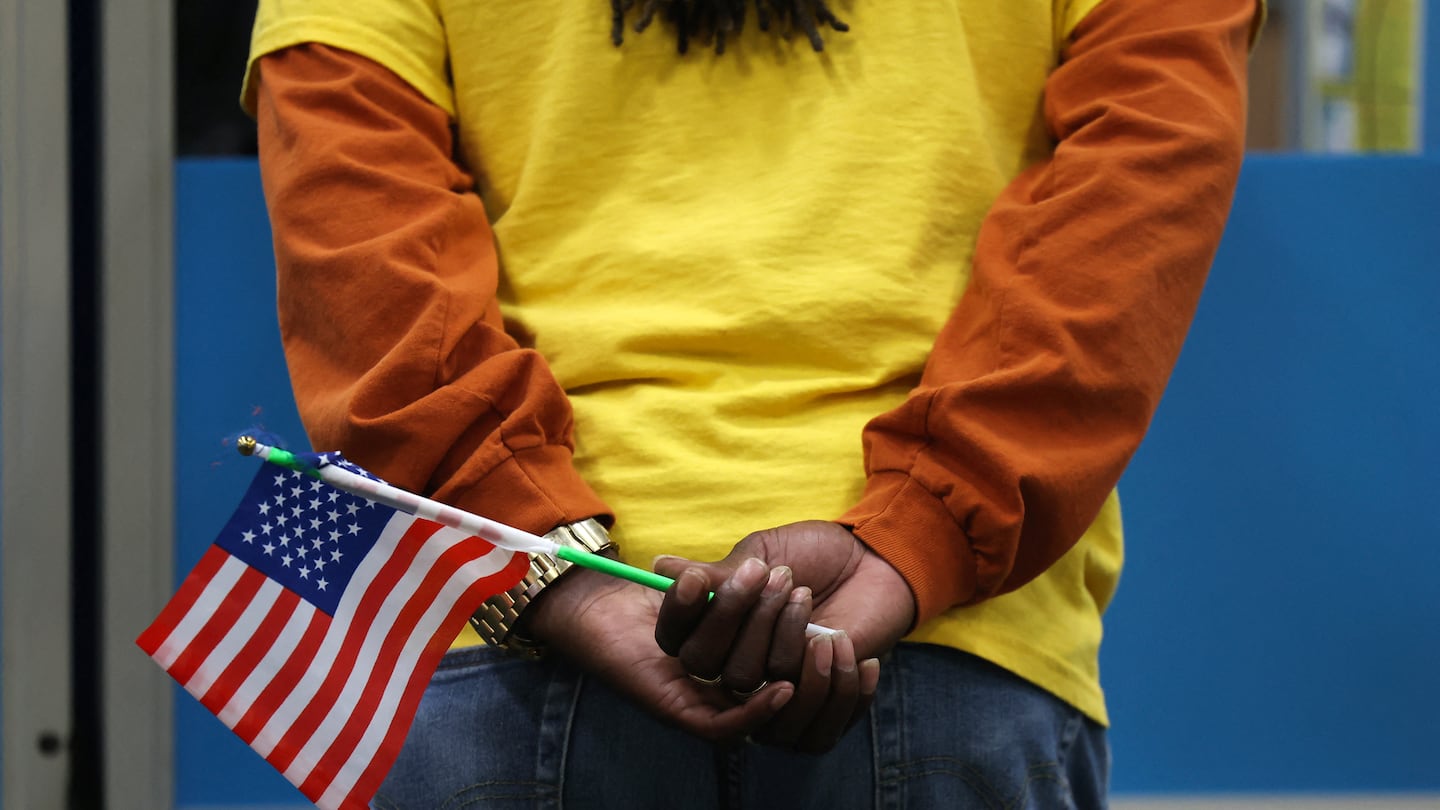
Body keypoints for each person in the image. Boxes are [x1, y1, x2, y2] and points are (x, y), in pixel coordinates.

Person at [244, 0, 1260, 806]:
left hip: (514, 649)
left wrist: (551, 566)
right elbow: (1132, 202)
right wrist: (917, 532)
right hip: (944, 644)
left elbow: (358, 237)